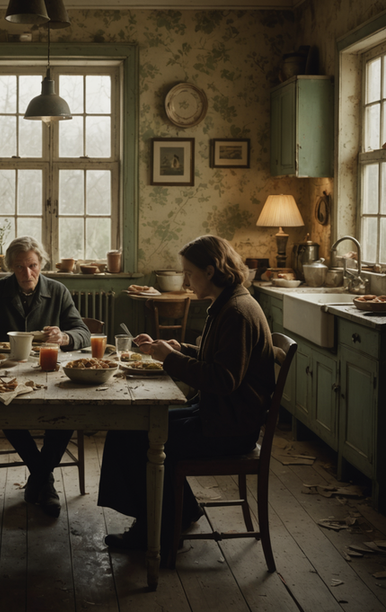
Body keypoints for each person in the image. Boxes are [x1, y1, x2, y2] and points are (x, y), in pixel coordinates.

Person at [98, 235, 275, 557]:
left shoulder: (236, 311)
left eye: (189, 273)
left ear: (210, 271)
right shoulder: (228, 303)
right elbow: (218, 360)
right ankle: (180, 512)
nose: (186, 280)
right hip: (218, 413)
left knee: (138, 439)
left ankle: (157, 530)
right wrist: (178, 349)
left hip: (230, 428)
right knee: (131, 426)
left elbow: (224, 380)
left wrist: (170, 359)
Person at [0, 236, 91, 517]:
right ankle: (45, 481)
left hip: (49, 371)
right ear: (10, 267)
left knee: (67, 411)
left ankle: (39, 479)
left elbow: (83, 332)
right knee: (3, 409)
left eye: (32, 265)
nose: (27, 273)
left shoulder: (58, 291)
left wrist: (65, 336)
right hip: (8, 373)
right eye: (19, 267)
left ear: (41, 264)